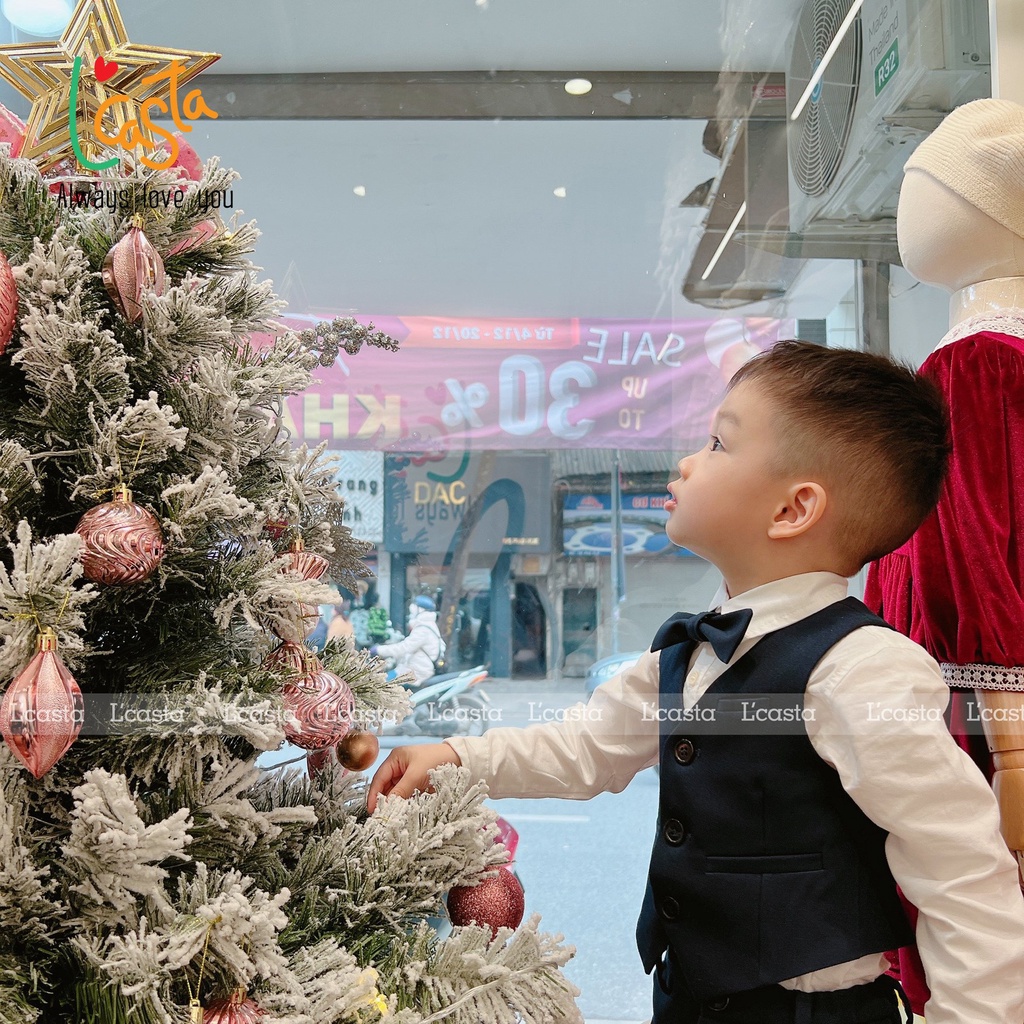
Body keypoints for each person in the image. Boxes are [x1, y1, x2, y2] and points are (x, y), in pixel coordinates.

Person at [369, 341, 1024, 1024]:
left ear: (793, 510)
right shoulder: (689, 653)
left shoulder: (860, 667)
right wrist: (459, 757)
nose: (686, 461)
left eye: (718, 444)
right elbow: (586, 747)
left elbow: (961, 874)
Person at [864, 100, 1024, 1016]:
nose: (906, 206)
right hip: (983, 715)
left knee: (973, 961)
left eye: (928, 185)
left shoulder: (974, 365)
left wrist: (1013, 755)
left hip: (973, 726)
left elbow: (975, 569)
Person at [370, 595, 443, 686]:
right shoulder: (427, 625)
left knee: (380, 684)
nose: (411, 614)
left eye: (412, 610)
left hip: (416, 673)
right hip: (410, 670)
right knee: (383, 680)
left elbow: (404, 648)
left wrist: (378, 650)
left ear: (419, 610)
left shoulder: (423, 629)